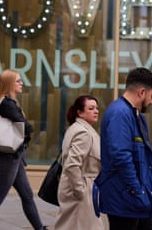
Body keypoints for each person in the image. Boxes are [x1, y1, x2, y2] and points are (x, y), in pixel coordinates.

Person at [93, 67, 152, 230]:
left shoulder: (133, 114)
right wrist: (137, 190)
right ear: (141, 92)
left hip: (133, 196)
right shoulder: (120, 114)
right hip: (124, 197)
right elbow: (121, 157)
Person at [0, 69, 47, 230]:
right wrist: (29, 126)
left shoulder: (9, 102)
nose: (21, 83)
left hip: (14, 158)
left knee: (27, 196)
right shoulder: (7, 104)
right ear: (10, 83)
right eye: (18, 81)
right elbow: (25, 126)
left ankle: (40, 228)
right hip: (8, 159)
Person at [54, 95, 105, 230]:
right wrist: (79, 191)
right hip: (82, 188)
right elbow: (72, 164)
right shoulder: (83, 132)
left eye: (97, 108)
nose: (96, 111)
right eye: (91, 108)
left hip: (82, 187)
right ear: (80, 112)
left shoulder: (79, 128)